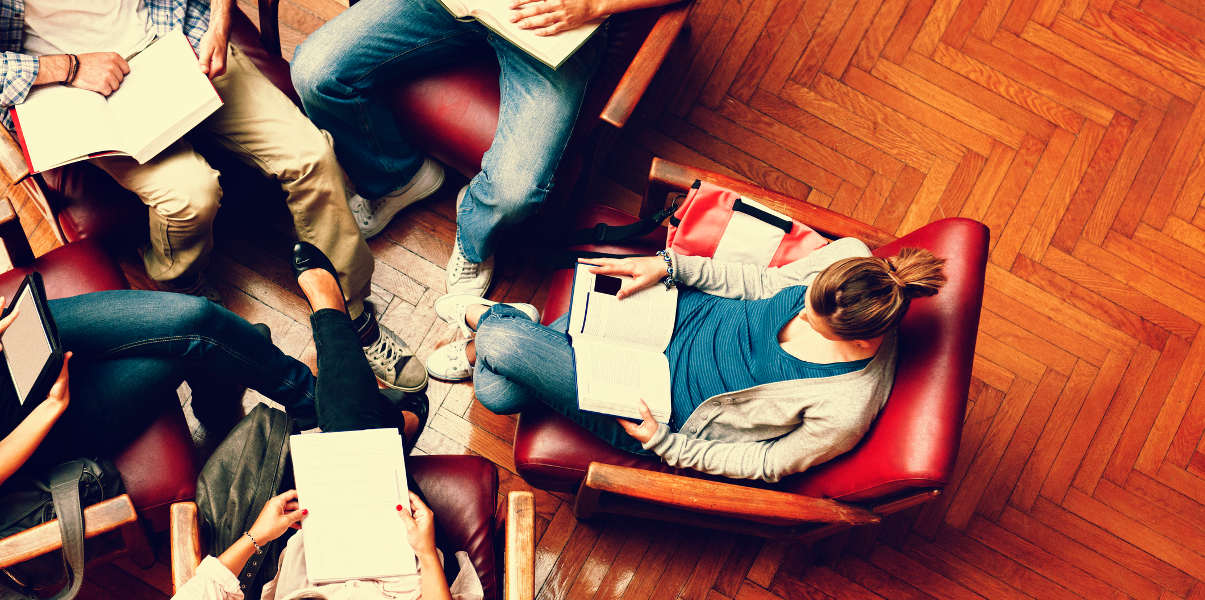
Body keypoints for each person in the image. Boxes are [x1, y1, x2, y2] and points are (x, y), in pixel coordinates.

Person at [0, 0, 427, 392]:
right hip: (78, 91)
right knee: (189, 195)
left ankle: (349, 313)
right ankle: (184, 285)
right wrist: (69, 66)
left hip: (176, 38)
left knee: (311, 156)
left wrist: (219, 23)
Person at [424, 239, 947, 482]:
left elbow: (767, 464)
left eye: (813, 323)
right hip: (670, 316)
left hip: (660, 403)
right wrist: (668, 265)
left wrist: (665, 445)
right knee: (501, 382)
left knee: (500, 386)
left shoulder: (846, 404)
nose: (801, 316)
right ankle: (503, 329)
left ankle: (486, 319)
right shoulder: (846, 262)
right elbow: (760, 283)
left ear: (860, 343)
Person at [290, 0, 679, 299]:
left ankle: (475, 232)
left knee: (514, 191)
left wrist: (592, 6)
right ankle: (399, 177)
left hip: (552, 23)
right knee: (316, 73)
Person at [170, 242, 480, 600]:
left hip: (301, 566)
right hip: (410, 575)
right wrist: (426, 552)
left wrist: (259, 535)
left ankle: (395, 417)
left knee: (344, 427)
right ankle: (334, 315)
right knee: (346, 422)